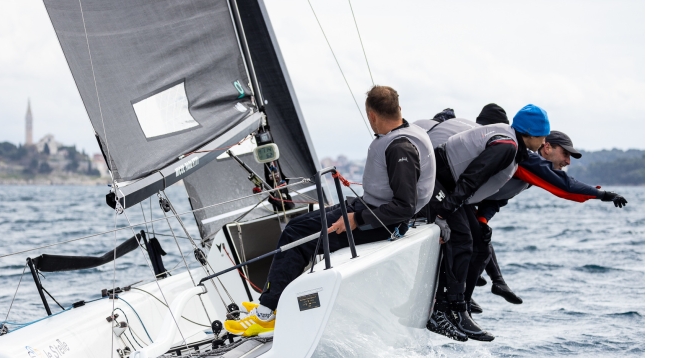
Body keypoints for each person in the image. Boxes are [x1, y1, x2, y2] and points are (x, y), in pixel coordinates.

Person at [224, 85, 436, 337]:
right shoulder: (410, 133)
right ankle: (273, 300)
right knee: (300, 227)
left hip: (378, 223)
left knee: (296, 235)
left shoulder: (399, 148)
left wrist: (356, 219)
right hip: (370, 211)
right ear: (398, 109)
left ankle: (266, 313)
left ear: (371, 115)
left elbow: (405, 206)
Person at [425, 104, 551, 342]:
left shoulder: (515, 146)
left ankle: (456, 308)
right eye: (543, 135)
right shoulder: (507, 146)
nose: (544, 141)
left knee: (476, 240)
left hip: (449, 184)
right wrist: (444, 211)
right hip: (437, 179)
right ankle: (443, 311)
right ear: (531, 134)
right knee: (462, 238)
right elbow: (473, 178)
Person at [469, 129, 628, 308]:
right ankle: (462, 298)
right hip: (456, 200)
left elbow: (497, 197)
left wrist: (483, 219)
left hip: (467, 204)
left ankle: (481, 287)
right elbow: (565, 185)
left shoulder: (531, 174)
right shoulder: (528, 158)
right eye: (565, 154)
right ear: (547, 147)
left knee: (481, 235)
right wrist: (603, 194)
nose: (567, 161)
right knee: (475, 242)